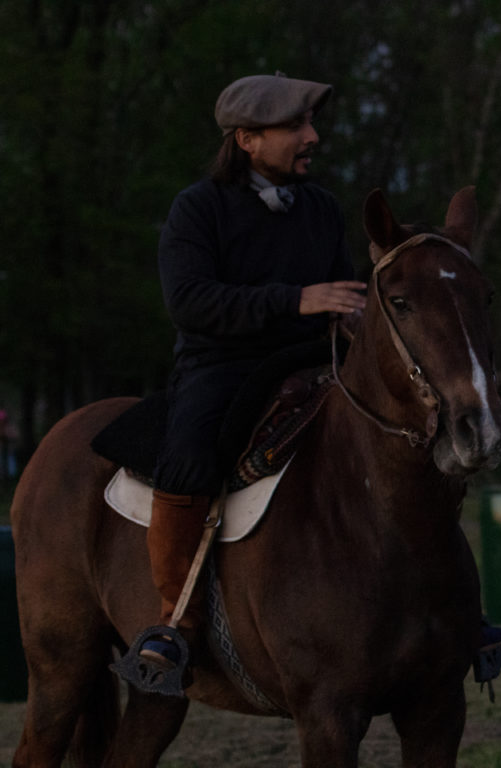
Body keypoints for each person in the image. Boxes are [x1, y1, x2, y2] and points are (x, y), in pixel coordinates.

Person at [141, 72, 368, 669]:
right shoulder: (198, 208)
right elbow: (188, 302)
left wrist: (360, 316)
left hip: (316, 359)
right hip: (223, 365)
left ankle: (449, 607)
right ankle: (175, 620)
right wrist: (295, 300)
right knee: (188, 455)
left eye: (310, 124)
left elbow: (343, 291)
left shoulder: (319, 206)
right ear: (246, 139)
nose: (312, 136)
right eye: (295, 127)